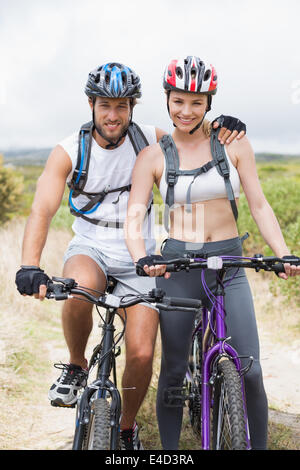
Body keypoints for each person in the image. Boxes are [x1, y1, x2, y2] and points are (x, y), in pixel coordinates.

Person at [15, 61, 245, 450]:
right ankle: (76, 364)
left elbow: (190, 133)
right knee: (77, 288)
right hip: (91, 246)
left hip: (140, 254)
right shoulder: (70, 151)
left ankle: (124, 428)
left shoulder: (148, 139)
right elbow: (42, 210)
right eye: (105, 105)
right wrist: (29, 265)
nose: (113, 115)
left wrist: (219, 123)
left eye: (122, 106)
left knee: (141, 351)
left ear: (133, 107)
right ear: (91, 104)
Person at [124, 55, 300, 450]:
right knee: (170, 373)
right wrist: (143, 256)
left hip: (229, 265)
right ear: (167, 99)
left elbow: (259, 204)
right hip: (178, 266)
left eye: (197, 102)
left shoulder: (232, 143)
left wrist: (284, 252)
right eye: (179, 101)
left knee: (250, 371)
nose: (186, 111)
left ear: (209, 102)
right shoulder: (153, 157)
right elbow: (134, 217)